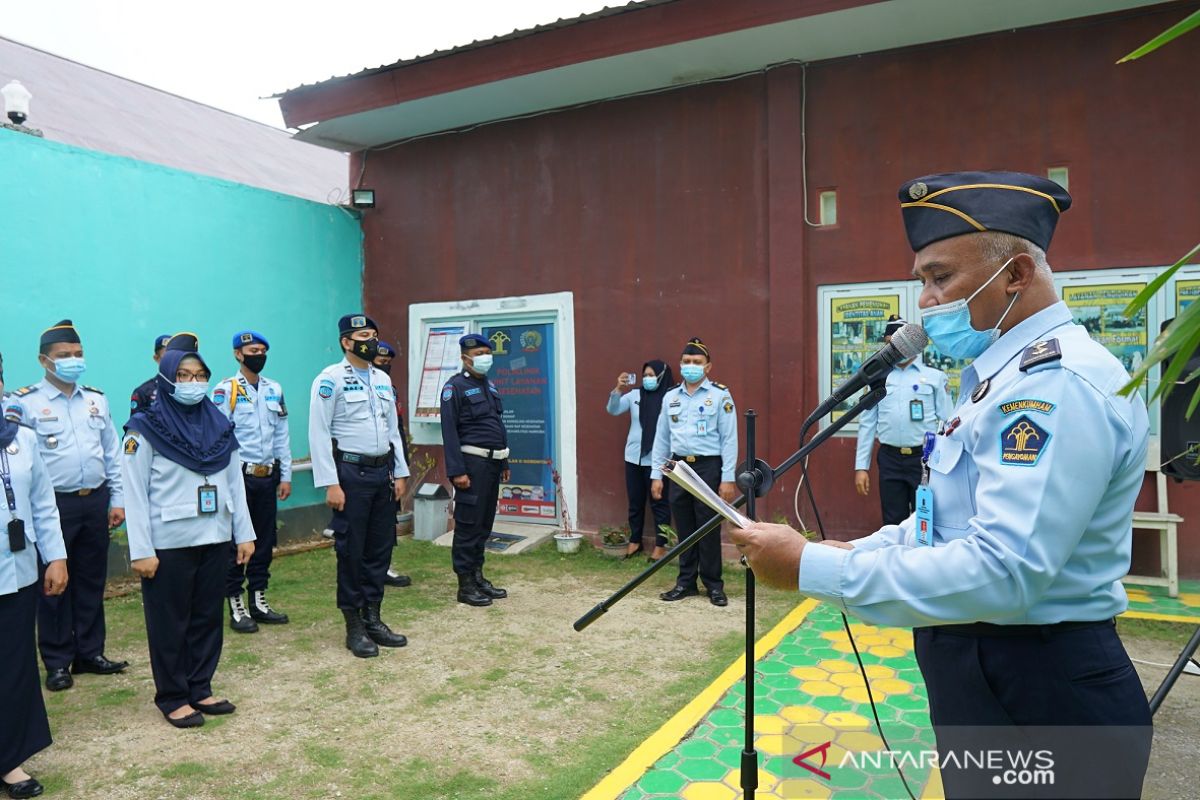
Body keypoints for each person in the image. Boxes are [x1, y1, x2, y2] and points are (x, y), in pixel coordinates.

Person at [732, 172, 1152, 798]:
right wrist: (848, 551)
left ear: (1015, 274)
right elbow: (943, 520)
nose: (925, 302)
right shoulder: (999, 378)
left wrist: (812, 571)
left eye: (940, 277)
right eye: (922, 281)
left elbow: (1005, 571)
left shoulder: (1053, 385)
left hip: (1040, 686)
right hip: (989, 675)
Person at [122, 345, 256, 729]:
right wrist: (141, 550)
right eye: (183, 376)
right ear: (166, 378)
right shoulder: (144, 429)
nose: (193, 383)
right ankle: (173, 696)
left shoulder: (218, 423)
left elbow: (235, 484)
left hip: (214, 536)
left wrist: (243, 534)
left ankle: (200, 686)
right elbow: (134, 492)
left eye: (199, 376)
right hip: (168, 543)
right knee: (170, 623)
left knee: (206, 619)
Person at [4, 320, 127, 693]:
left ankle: (90, 652)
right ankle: (57, 661)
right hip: (53, 506)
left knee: (91, 580)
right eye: (64, 356)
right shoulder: (24, 403)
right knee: (53, 584)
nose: (73, 361)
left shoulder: (96, 399)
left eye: (78, 354)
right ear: (45, 360)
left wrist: (117, 498)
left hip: (95, 501)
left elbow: (111, 452)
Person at [309, 314, 409, 658]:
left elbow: (392, 430)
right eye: (364, 335)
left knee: (380, 550)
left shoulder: (381, 378)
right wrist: (330, 483)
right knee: (351, 552)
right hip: (350, 476)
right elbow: (319, 433)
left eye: (374, 334)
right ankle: (353, 626)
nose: (371, 340)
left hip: (382, 475)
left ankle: (374, 618)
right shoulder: (330, 380)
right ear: (346, 342)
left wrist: (400, 472)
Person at [0, 350, 69, 799]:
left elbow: (43, 504)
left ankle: (9, 760)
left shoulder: (21, 438)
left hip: (16, 572)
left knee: (13, 667)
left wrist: (57, 557)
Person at [212, 331, 292, 633]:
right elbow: (219, 438)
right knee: (237, 542)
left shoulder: (274, 389)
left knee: (265, 540)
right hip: (239, 478)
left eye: (261, 350)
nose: (257, 354)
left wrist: (285, 475)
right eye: (251, 350)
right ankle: (235, 603)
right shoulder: (226, 390)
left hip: (267, 477)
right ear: (237, 354)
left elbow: (282, 435)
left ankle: (259, 600)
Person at [649, 338, 738, 607]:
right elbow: (661, 438)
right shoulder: (671, 397)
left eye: (697, 363)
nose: (691, 366)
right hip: (679, 468)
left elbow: (729, 439)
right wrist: (656, 474)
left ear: (708, 367)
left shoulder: (720, 395)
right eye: (686, 362)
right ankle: (685, 582)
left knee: (707, 526)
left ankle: (713, 585)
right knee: (685, 526)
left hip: (708, 466)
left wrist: (728, 476)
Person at [853, 315, 952, 525]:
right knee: (892, 521)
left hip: (924, 459)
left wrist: (947, 462)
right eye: (888, 344)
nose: (893, 350)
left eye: (897, 344)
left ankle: (923, 558)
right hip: (889, 459)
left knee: (925, 519)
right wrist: (861, 467)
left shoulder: (935, 378)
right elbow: (868, 423)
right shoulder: (878, 378)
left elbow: (948, 421)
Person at [440, 334, 509, 607]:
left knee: (483, 524)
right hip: (472, 466)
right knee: (468, 525)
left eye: (487, 352)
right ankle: (465, 585)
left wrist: (504, 462)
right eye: (479, 352)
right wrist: (457, 471)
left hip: (492, 464)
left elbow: (496, 427)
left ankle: (478, 576)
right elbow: (450, 432)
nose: (484, 357)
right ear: (465, 357)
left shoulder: (489, 387)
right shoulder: (454, 388)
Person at [605, 361, 674, 561]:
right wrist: (618, 388)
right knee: (635, 503)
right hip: (633, 458)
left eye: (652, 375)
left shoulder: (670, 398)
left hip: (658, 459)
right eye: (645, 375)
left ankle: (661, 546)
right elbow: (613, 409)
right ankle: (635, 541)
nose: (647, 379)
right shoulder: (635, 395)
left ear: (661, 377)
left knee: (659, 504)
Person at [373, 341, 412, 589]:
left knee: (389, 518)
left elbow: (396, 429)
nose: (385, 366)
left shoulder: (390, 389)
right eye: (380, 362)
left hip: (391, 460)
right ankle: (372, 567)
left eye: (388, 363)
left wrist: (402, 466)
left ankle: (385, 566)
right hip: (368, 464)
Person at [128, 334, 172, 420]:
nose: (171, 362)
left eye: (175, 357)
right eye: (166, 358)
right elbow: (135, 428)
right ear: (156, 358)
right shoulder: (143, 392)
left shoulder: (187, 390)